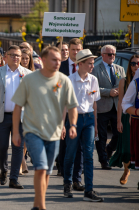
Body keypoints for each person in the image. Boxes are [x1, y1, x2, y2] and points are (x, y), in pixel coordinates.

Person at [11, 46, 79, 210]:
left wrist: (72, 125)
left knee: (47, 171)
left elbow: (72, 106)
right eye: (54, 59)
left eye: (59, 60)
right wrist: (15, 132)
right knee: (40, 167)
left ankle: (37, 203)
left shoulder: (64, 80)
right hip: (33, 132)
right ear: (43, 60)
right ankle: (42, 206)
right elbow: (17, 107)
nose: (58, 62)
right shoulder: (29, 80)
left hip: (54, 133)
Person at [0, 45, 31, 189]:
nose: (16, 58)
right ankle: (4, 169)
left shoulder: (27, 74)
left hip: (21, 118)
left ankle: (14, 178)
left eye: (18, 56)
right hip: (1, 116)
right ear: (5, 57)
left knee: (17, 148)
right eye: (13, 55)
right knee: (2, 147)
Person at [63, 49, 104, 201]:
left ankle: (89, 190)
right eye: (90, 63)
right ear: (80, 64)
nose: (92, 66)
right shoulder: (69, 80)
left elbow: (94, 104)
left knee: (88, 155)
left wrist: (96, 124)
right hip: (74, 119)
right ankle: (67, 184)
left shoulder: (93, 79)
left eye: (93, 63)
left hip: (89, 120)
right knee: (71, 153)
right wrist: (62, 125)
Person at [92, 45, 126, 170]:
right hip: (102, 106)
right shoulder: (96, 69)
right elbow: (94, 88)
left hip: (117, 107)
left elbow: (124, 85)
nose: (112, 57)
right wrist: (108, 92)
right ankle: (103, 160)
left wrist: (120, 91)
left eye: (114, 54)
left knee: (118, 134)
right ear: (103, 55)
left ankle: (109, 150)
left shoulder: (120, 69)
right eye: (110, 54)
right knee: (102, 136)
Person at [57, 38, 84, 191]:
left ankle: (77, 179)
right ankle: (63, 169)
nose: (75, 52)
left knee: (79, 147)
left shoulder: (86, 67)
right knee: (64, 145)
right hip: (63, 111)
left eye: (77, 49)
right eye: (73, 49)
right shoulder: (61, 68)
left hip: (81, 113)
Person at [110, 55, 139, 184]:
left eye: (138, 63)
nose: (135, 66)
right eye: (133, 63)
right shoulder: (124, 81)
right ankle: (127, 170)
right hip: (127, 115)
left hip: (136, 118)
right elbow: (121, 101)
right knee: (127, 147)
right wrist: (119, 121)